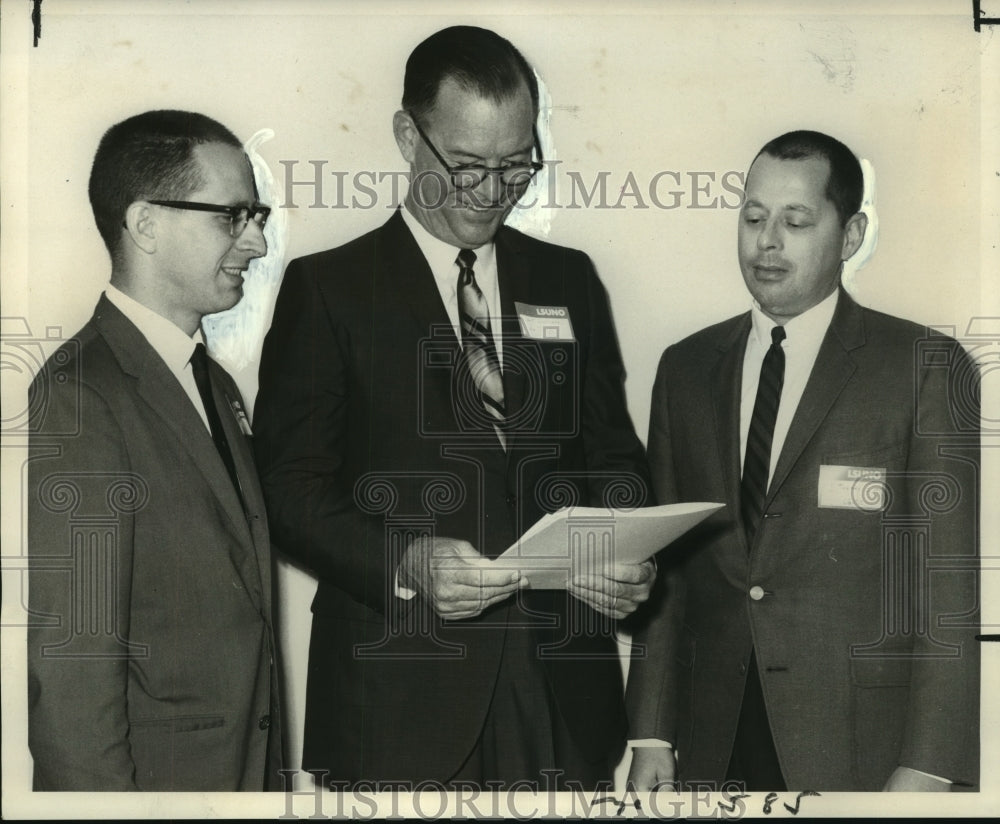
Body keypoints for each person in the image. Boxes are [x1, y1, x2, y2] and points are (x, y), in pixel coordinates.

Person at [253, 25, 654, 789]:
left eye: (515, 166)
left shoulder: (568, 280)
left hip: (563, 695)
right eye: (467, 165)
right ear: (409, 137)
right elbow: (287, 489)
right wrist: (404, 558)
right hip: (395, 693)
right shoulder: (329, 290)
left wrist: (620, 549)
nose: (492, 191)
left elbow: (613, 458)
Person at [625, 130, 979, 792]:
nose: (767, 242)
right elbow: (666, 572)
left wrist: (928, 767)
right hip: (712, 741)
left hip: (862, 748)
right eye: (753, 218)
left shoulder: (924, 367)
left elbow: (947, 592)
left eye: (795, 221)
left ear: (850, 236)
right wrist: (651, 733)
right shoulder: (685, 369)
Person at [27, 110, 282, 791]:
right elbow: (74, 668)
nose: (256, 242)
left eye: (255, 216)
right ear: (145, 225)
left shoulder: (214, 383)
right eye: (232, 217)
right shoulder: (83, 392)